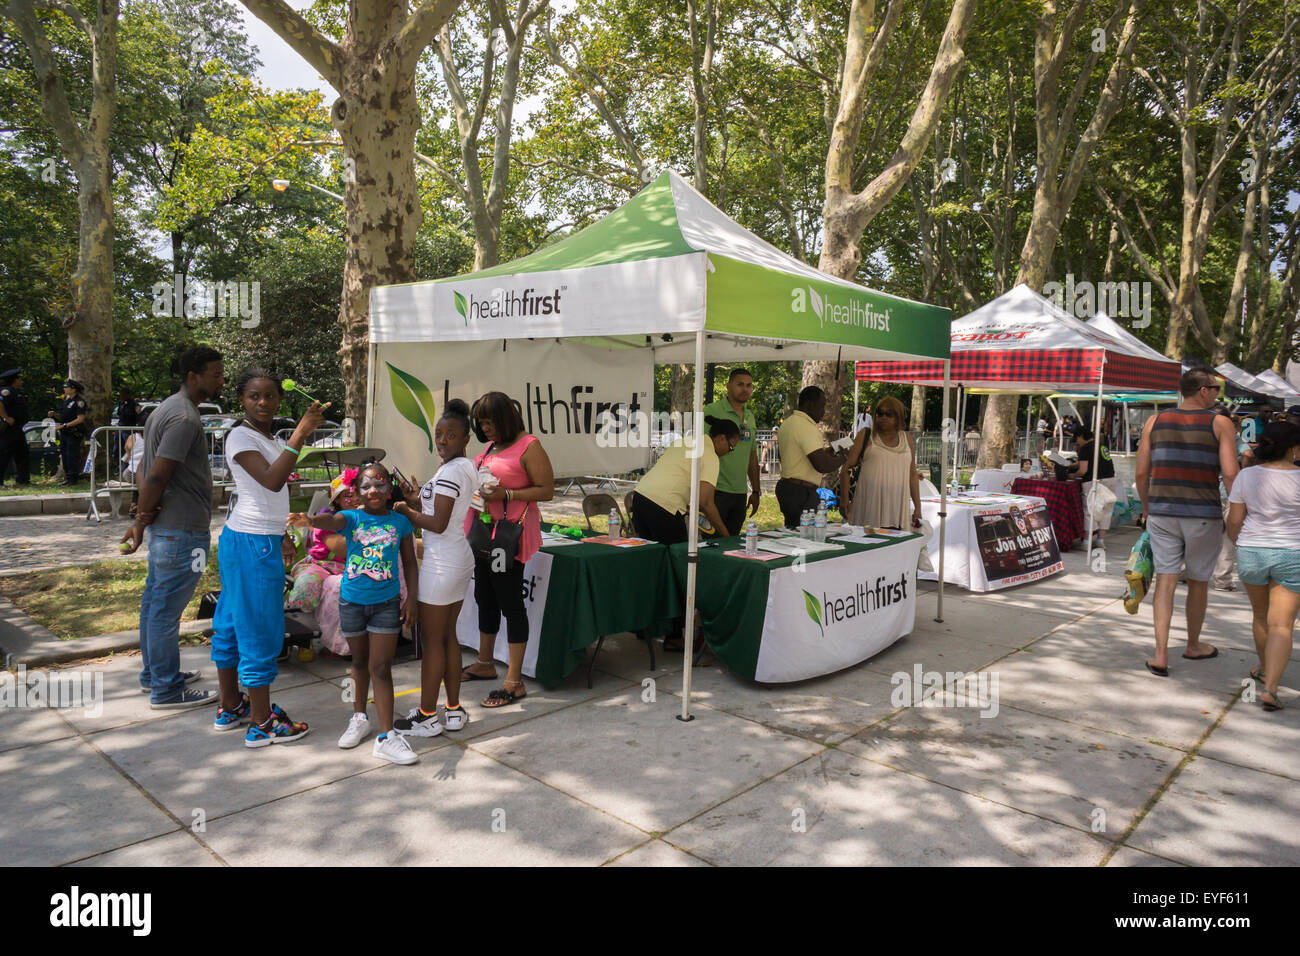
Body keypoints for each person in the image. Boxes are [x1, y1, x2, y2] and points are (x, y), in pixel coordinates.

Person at [211, 369, 326, 746]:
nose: (263, 403)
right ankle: (261, 722)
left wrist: (282, 537)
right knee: (259, 628)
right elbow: (272, 480)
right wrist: (300, 434)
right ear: (241, 399)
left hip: (255, 538)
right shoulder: (240, 436)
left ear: (280, 398)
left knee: (230, 620)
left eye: (270, 396)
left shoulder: (267, 436)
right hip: (250, 542)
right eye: (254, 396)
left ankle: (231, 704)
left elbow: (273, 498)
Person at [290, 463, 419, 764]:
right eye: (366, 485)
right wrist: (309, 520)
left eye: (380, 484)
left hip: (386, 604)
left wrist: (412, 597)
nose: (373, 490)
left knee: (382, 668)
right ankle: (359, 718)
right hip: (352, 603)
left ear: (389, 488)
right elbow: (332, 522)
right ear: (357, 492)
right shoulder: (351, 517)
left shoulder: (400, 522)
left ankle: (387, 737)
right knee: (359, 663)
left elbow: (410, 563)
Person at [119, 346, 225, 709]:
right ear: (193, 376)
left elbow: (143, 468)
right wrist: (139, 519)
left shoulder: (166, 409)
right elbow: (158, 471)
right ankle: (166, 689)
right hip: (183, 532)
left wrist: (143, 513)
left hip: (170, 530)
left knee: (154, 604)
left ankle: (155, 675)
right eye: (215, 372)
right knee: (166, 611)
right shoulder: (184, 419)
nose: (221, 379)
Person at [1136, 367, 1240, 677]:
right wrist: (1238, 511)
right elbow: (1231, 473)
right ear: (1203, 390)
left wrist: (1146, 508)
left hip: (1162, 513)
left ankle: (1160, 654)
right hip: (1202, 515)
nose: (1217, 392)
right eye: (1215, 387)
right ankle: (1193, 645)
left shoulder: (1154, 422)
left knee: (1165, 581)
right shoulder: (1220, 423)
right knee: (1198, 581)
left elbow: (1142, 473)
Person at [459, 391, 555, 710]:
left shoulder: (529, 446)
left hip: (510, 536)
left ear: (506, 419)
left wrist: (507, 493)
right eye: (481, 423)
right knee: (485, 597)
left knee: (510, 602)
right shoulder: (489, 447)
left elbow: (547, 490)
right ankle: (485, 662)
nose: (485, 428)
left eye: (490, 422)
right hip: (484, 533)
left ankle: (514, 681)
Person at [391, 398, 479, 738]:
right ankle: (453, 710)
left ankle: (427, 714)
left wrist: (407, 512)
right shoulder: (463, 467)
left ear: (465, 438)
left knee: (433, 642)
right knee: (448, 637)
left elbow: (439, 523)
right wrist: (419, 499)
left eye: (451, 435)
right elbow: (446, 509)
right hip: (456, 559)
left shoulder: (452, 471)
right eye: (439, 434)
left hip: (441, 564)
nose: (442, 440)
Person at [1226, 422, 1300, 712]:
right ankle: (1271, 689)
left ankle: (1266, 669)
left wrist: (1238, 542)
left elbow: (1234, 520)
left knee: (1259, 616)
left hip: (1252, 550)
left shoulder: (1247, 476)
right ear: (1293, 448)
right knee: (1282, 624)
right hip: (1293, 553)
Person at [631, 415, 739, 544]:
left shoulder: (685, 441)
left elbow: (675, 474)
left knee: (651, 555)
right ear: (721, 438)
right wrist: (727, 536)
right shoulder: (710, 455)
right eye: (731, 447)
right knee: (679, 557)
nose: (729, 452)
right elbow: (705, 503)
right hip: (664, 506)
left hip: (640, 496)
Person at [841, 396, 922, 530]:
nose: (883, 417)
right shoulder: (866, 435)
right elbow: (846, 469)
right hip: (869, 507)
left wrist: (917, 508)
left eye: (889, 414)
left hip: (897, 510)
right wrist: (844, 499)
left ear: (899, 417)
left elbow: (912, 475)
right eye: (879, 413)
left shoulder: (907, 439)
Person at [775, 386, 848, 529]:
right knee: (805, 538)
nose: (823, 412)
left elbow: (794, 456)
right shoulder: (807, 426)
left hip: (789, 488)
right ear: (809, 404)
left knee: (793, 532)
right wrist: (844, 457)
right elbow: (822, 465)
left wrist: (828, 452)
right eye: (822, 406)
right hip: (801, 493)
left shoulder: (789, 423)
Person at [701, 368, 760, 535]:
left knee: (732, 544)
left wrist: (756, 491)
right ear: (728, 386)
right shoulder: (712, 411)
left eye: (749, 385)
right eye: (740, 384)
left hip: (740, 493)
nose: (745, 389)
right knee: (712, 541)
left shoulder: (750, 416)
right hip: (715, 490)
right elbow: (702, 448)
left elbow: (752, 456)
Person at [1071, 425, 1122, 544]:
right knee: (1105, 510)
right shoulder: (1102, 446)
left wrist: (1072, 475)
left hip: (1093, 481)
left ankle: (1087, 541)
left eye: (1076, 438)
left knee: (1090, 510)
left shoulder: (1085, 448)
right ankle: (1100, 540)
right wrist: (1073, 465)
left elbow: (1083, 470)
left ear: (1081, 436)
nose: (1077, 442)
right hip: (1110, 480)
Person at [49, 379, 89, 485]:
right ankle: (67, 478)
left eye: (66, 387)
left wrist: (65, 425)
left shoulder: (79, 402)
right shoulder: (67, 401)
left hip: (74, 432)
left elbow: (80, 419)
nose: (64, 388)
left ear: (73, 389)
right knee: (65, 455)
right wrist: (55, 415)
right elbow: (63, 417)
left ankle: (73, 479)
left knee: (72, 455)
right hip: (65, 432)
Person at [0, 369, 31, 486]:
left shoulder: (17, 391)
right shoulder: (6, 391)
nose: (21, 381)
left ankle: (23, 480)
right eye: (19, 379)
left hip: (18, 429)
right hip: (8, 430)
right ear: (15, 380)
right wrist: (5, 417)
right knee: (4, 455)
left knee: (22, 454)